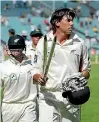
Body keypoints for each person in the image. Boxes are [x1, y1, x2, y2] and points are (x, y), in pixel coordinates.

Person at [33, 8, 91, 122]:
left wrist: (79, 76)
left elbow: (87, 71)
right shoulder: (43, 42)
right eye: (68, 20)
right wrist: (39, 78)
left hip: (72, 96)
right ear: (57, 22)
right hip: (48, 97)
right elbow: (34, 70)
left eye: (72, 20)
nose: (72, 23)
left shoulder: (79, 43)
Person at [0, 35, 38, 122]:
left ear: (23, 48)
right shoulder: (2, 67)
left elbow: (38, 78)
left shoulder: (32, 65)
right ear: (9, 48)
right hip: (9, 107)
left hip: (28, 105)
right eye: (13, 47)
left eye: (19, 47)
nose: (16, 50)